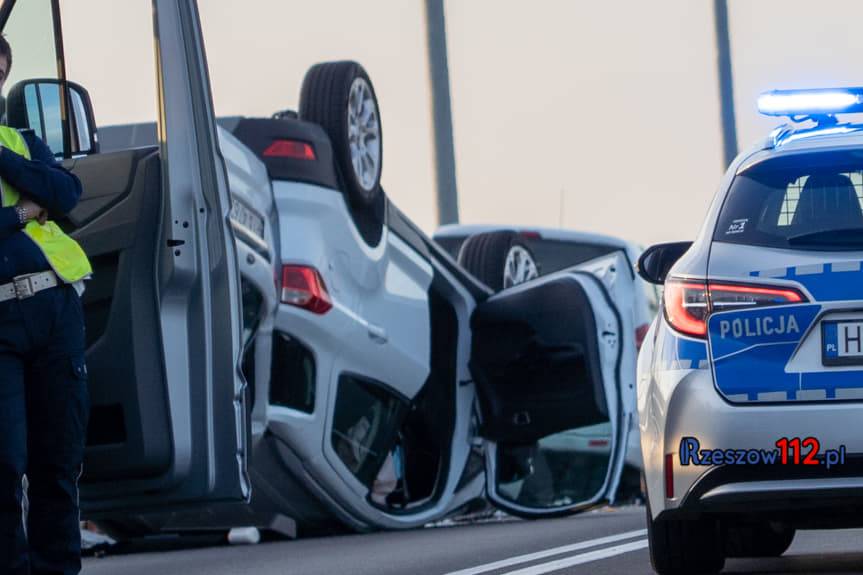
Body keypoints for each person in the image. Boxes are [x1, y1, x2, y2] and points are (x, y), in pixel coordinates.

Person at [0, 35, 93, 575]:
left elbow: (67, 193)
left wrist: (2, 155)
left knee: (59, 464)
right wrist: (19, 216)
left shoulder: (21, 139)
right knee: (5, 467)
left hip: (56, 310)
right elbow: (36, 204)